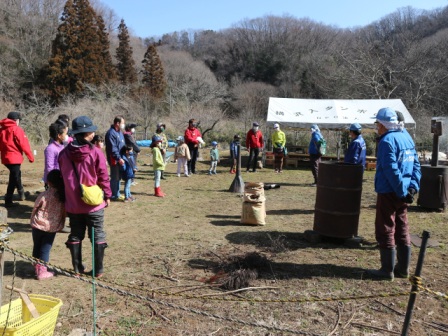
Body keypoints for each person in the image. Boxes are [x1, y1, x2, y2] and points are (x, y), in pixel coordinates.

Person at [366, 107, 421, 280]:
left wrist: (401, 190)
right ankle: (403, 269)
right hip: (403, 192)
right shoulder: (406, 137)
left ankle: (386, 270)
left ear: (383, 124)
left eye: (377, 123)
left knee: (385, 228)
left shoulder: (387, 141)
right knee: (402, 228)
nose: (376, 127)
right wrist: (412, 188)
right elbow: (416, 165)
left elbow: (391, 169)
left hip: (389, 191)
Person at [58, 116, 112, 278]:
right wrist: (108, 195)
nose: (94, 133)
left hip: (73, 203)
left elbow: (62, 176)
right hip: (94, 202)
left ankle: (77, 269)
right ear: (86, 133)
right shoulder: (96, 152)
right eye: (91, 131)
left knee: (76, 234)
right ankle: (98, 270)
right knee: (97, 235)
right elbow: (103, 176)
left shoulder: (63, 154)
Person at [30, 169, 66, 280]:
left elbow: (36, 207)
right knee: (45, 249)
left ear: (49, 182)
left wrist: (32, 219)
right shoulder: (62, 197)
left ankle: (37, 266)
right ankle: (42, 271)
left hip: (37, 225)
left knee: (37, 246)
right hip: (51, 227)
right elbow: (64, 213)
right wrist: (61, 223)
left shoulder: (44, 194)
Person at [0, 111, 34, 207]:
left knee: (17, 174)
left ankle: (21, 193)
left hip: (5, 158)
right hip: (14, 158)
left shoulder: (2, 130)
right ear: (16, 120)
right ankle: (8, 200)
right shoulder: (17, 129)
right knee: (13, 178)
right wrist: (30, 156)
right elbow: (24, 144)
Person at [105, 115, 126, 201]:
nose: (123, 125)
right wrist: (118, 158)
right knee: (115, 176)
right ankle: (113, 194)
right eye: (122, 123)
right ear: (117, 123)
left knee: (119, 177)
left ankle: (117, 193)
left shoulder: (120, 132)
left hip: (121, 158)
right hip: (114, 159)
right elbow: (113, 148)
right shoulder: (111, 133)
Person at [43, 122, 69, 189]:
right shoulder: (50, 149)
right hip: (54, 181)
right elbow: (49, 167)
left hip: (62, 178)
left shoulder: (63, 146)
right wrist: (53, 182)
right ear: (59, 135)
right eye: (65, 133)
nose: (66, 135)